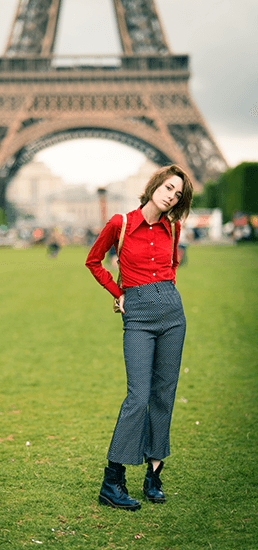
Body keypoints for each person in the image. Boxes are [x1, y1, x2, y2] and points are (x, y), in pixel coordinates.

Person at [85, 164, 193, 511]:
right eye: (169, 187)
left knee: (164, 395)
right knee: (138, 396)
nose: (172, 196)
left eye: (178, 194)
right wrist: (119, 292)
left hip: (172, 314)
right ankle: (112, 480)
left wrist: (165, 292)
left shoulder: (173, 228)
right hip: (139, 316)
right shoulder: (122, 223)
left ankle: (154, 474)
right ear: (155, 184)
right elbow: (94, 260)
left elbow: (172, 267)